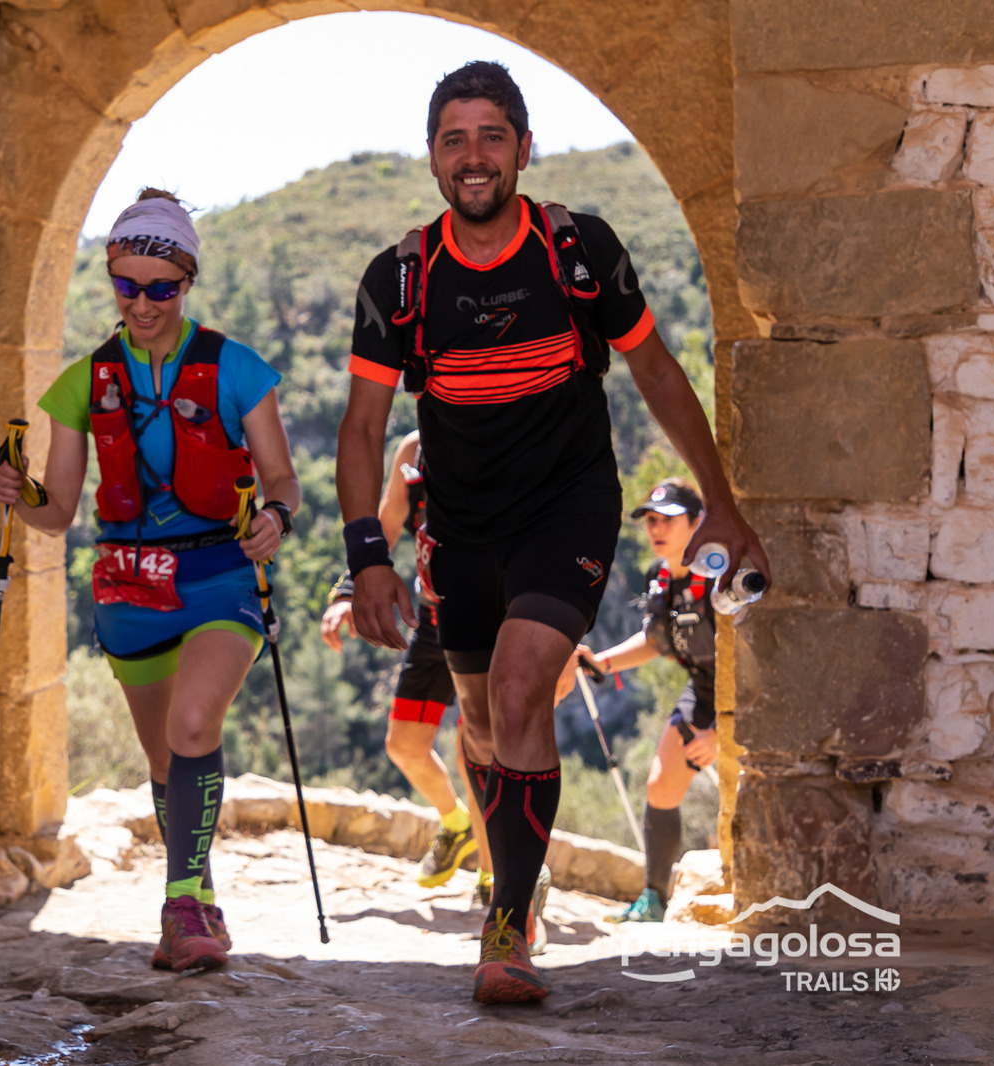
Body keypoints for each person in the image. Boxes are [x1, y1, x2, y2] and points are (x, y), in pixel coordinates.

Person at [334, 61, 769, 1004]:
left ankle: (507, 927)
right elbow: (364, 427)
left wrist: (720, 501)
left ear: (524, 149)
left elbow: (656, 372)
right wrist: (366, 555)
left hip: (566, 507)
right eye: (454, 139)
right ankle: (513, 880)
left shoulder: (579, 250)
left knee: (522, 690)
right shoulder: (400, 277)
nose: (474, 156)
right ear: (433, 158)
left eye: (492, 136)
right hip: (458, 526)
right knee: (483, 722)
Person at [0, 188, 300, 973]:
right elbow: (58, 510)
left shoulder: (236, 368)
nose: (143, 302)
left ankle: (180, 906)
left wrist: (276, 518)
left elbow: (283, 478)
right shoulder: (82, 382)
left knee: (193, 725)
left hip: (221, 575)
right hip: (130, 589)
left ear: (187, 281)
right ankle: (198, 894)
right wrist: (15, 493)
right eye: (127, 285)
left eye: (161, 288)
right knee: (165, 761)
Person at [320, 431, 551, 953]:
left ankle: (499, 884)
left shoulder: (508, 433)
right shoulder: (414, 448)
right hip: (432, 617)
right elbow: (387, 523)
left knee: (479, 749)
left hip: (494, 619)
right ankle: (456, 823)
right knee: (404, 744)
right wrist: (352, 589)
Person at [554, 479, 717, 924]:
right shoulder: (659, 577)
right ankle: (653, 900)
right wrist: (601, 662)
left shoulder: (720, 578)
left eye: (668, 520)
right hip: (703, 689)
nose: (656, 529)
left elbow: (758, 659)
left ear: (697, 523)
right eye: (650, 520)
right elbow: (656, 641)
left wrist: (725, 731)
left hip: (747, 696)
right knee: (661, 785)